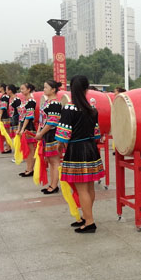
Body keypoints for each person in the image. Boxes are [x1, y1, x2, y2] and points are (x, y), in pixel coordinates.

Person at [56, 75, 104, 233]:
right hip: (91, 149)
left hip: (76, 150)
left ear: (72, 89)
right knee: (89, 188)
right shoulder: (92, 109)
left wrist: (59, 145)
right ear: (86, 89)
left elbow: (63, 134)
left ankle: (89, 222)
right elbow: (96, 134)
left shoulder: (68, 109)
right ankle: (87, 216)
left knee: (81, 189)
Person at [35, 80, 63, 194]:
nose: (44, 89)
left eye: (46, 87)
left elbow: (52, 122)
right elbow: (42, 120)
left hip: (53, 135)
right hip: (46, 134)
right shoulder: (47, 102)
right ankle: (52, 184)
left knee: (55, 161)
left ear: (53, 90)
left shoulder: (55, 104)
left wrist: (41, 133)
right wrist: (39, 132)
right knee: (51, 161)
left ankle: (54, 185)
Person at [17, 83, 37, 177]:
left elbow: (29, 117)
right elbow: (21, 116)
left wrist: (23, 129)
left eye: (23, 89)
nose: (21, 91)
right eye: (21, 89)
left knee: (30, 149)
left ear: (28, 90)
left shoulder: (31, 101)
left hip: (29, 128)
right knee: (27, 149)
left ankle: (30, 169)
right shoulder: (24, 101)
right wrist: (19, 128)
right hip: (23, 127)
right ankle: (28, 168)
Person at [0, 84, 11, 153]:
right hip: (4, 116)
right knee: (6, 133)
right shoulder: (3, 96)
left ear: (2, 88)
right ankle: (8, 147)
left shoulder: (5, 96)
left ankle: (8, 147)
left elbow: (3, 108)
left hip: (5, 117)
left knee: (6, 133)